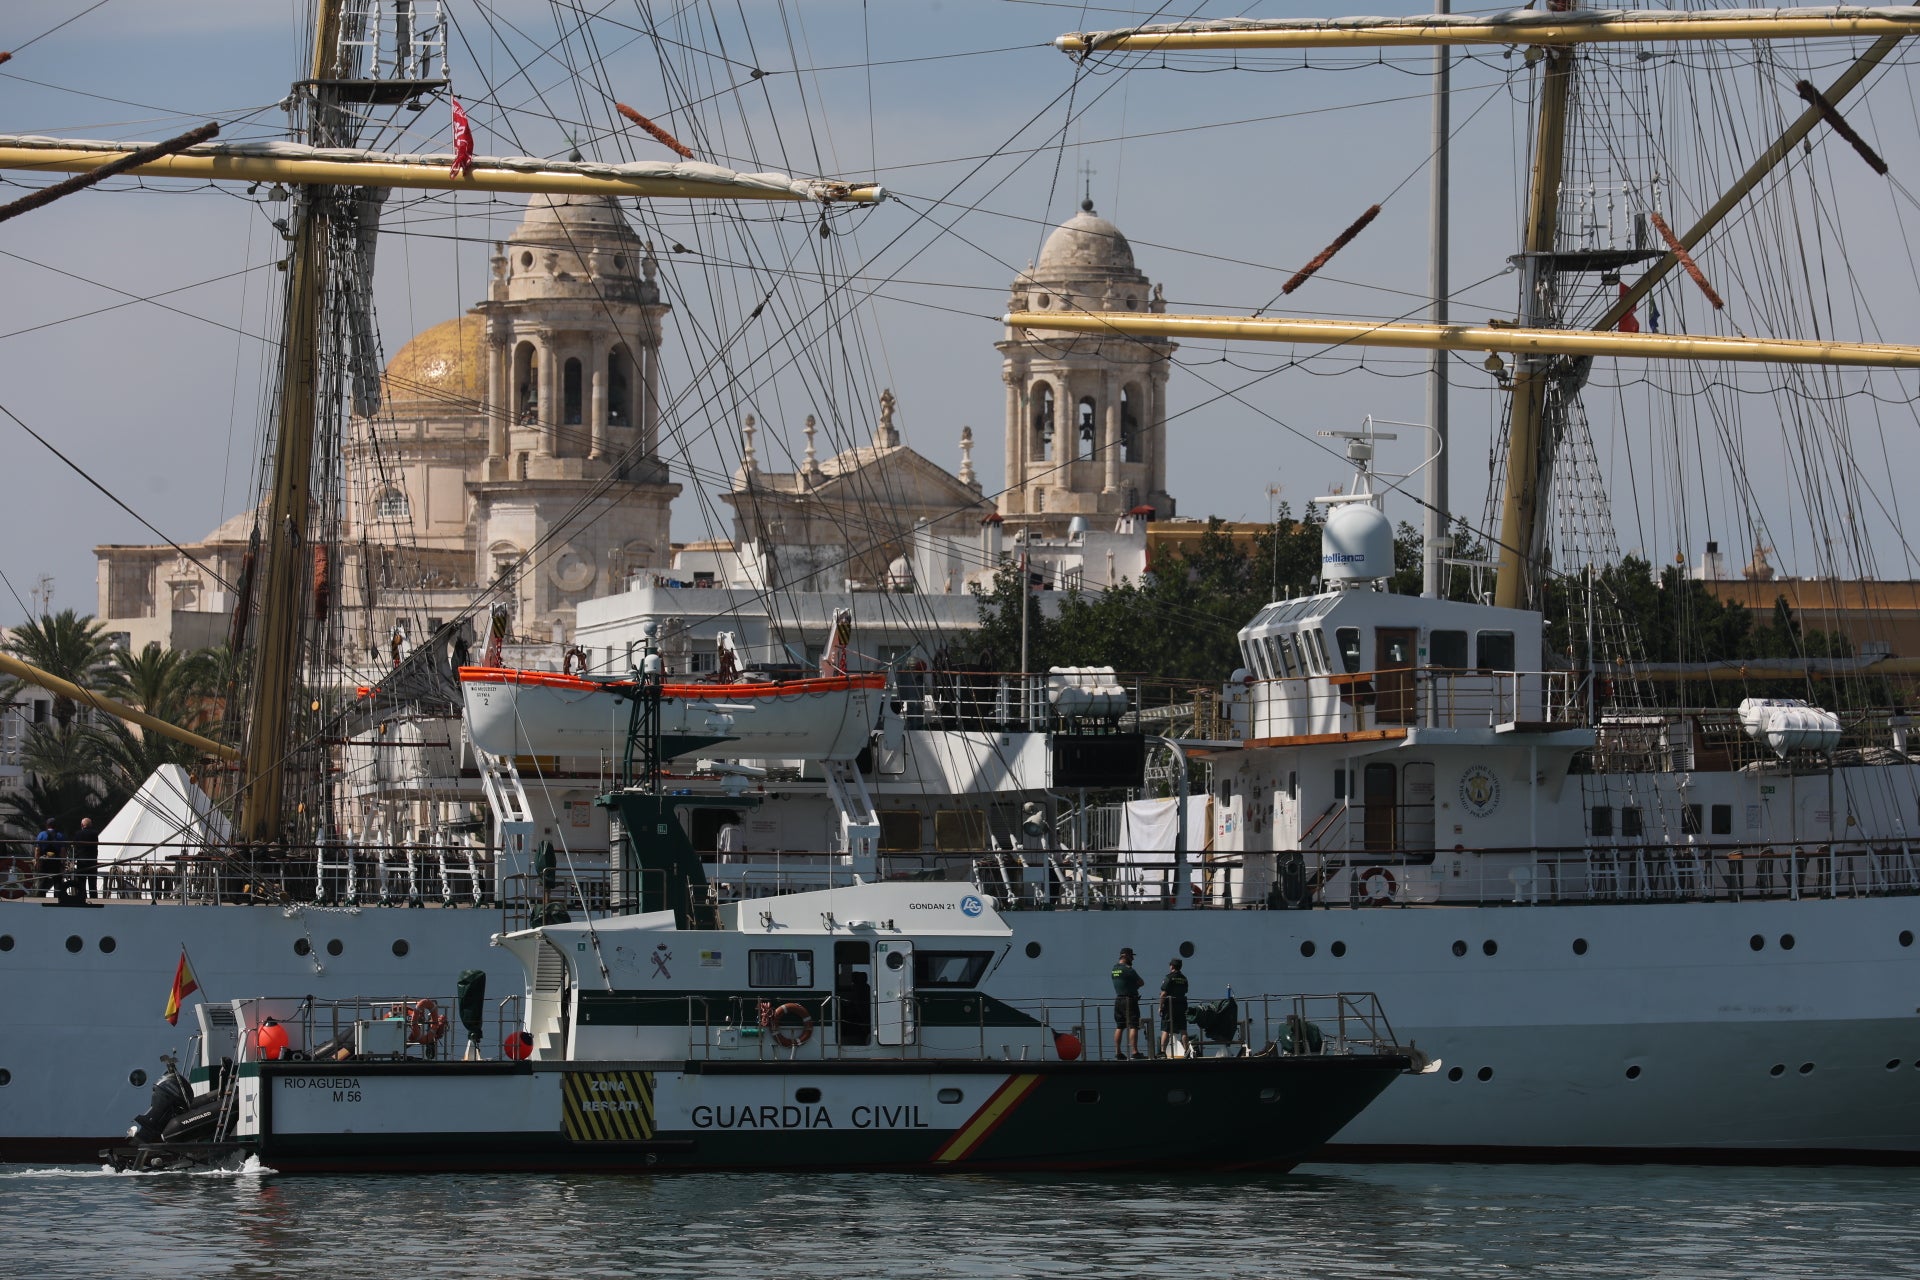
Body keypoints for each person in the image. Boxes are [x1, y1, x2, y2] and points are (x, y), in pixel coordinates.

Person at [1110, 946, 1145, 1060]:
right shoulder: (1129, 970)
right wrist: (1134, 987)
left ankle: (1118, 1052)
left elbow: (1122, 982)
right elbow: (1141, 982)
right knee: (1134, 1025)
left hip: (1118, 1000)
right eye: (1131, 956)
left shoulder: (1114, 969)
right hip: (1130, 1000)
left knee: (1120, 1026)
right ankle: (1134, 1052)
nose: (1133, 959)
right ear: (1126, 956)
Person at [1159, 957, 1191, 1058]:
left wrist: (1160, 1006)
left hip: (1170, 1006)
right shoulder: (1184, 978)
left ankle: (1162, 1052)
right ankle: (1187, 1051)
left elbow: (1163, 994)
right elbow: (1185, 991)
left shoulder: (1169, 977)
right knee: (1183, 1030)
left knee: (1166, 1029)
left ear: (1172, 966)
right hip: (1182, 1006)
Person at [71, 816, 98, 901]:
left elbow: (75, 847)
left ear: (82, 825)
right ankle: (94, 899)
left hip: (81, 861)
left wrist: (73, 858)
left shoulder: (78, 833)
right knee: (92, 882)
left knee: (81, 882)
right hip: (92, 861)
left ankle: (82, 898)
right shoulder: (94, 834)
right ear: (91, 825)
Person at [33, 822, 63, 895]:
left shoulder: (41, 834)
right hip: (56, 860)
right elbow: (63, 850)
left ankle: (41, 897)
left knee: (43, 879)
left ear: (47, 825)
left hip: (44, 860)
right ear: (55, 826)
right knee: (57, 880)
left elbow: (37, 849)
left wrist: (37, 861)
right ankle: (57, 897)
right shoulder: (60, 835)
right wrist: (63, 862)